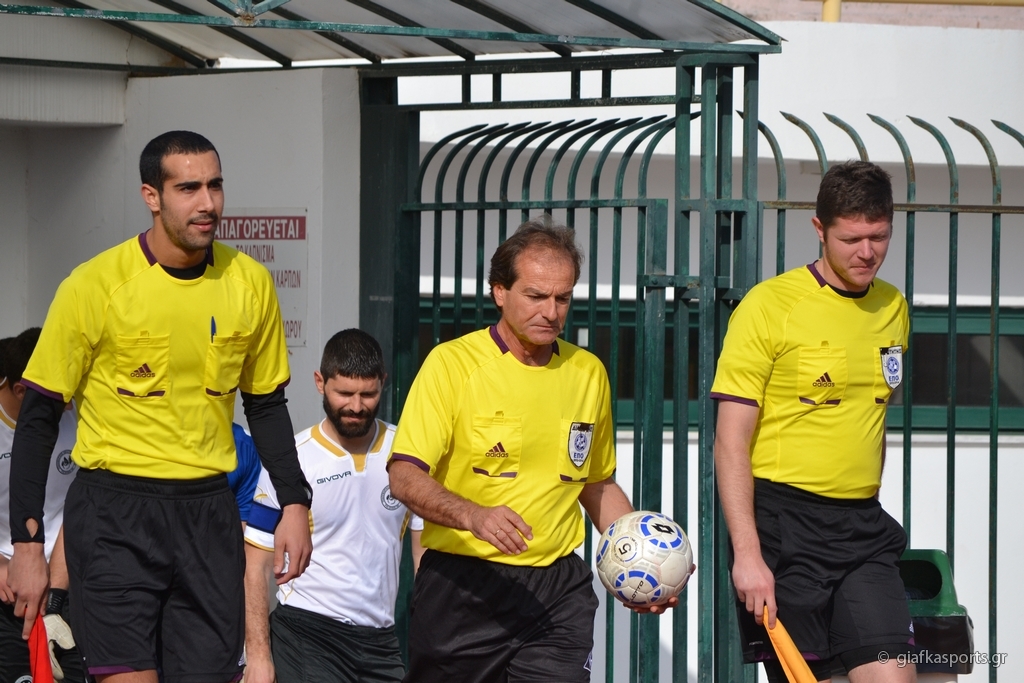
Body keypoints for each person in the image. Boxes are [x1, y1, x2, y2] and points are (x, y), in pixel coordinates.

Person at [7, 130, 313, 683]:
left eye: (215, 186)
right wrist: (28, 544)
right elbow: (37, 421)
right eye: (188, 188)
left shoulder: (249, 283)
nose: (208, 203)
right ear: (151, 195)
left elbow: (266, 405)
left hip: (208, 514)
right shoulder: (93, 285)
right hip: (114, 514)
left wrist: (294, 501)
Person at [388, 219, 679, 683]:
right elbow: (404, 475)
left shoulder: (588, 372)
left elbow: (596, 484)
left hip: (557, 591)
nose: (551, 311)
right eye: (536, 296)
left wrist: (639, 560)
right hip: (464, 588)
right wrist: (473, 515)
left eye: (562, 298)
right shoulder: (451, 365)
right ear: (499, 292)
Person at [711, 161, 915, 683]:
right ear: (819, 229)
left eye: (879, 236)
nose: (867, 252)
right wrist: (748, 555)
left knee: (896, 675)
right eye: (851, 239)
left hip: (863, 527)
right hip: (785, 529)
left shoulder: (893, 307)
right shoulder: (768, 306)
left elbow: (872, 416)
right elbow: (730, 442)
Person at [244, 329, 420, 683]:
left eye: (368, 394)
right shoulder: (290, 462)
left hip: (382, 642)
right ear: (320, 383)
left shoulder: (407, 453)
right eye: (345, 393)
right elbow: (256, 567)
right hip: (307, 635)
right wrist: (259, 657)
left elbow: (424, 557)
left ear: (383, 383)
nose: (356, 406)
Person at [0, 329, 82, 683]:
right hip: (8, 587)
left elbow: (80, 503)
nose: (69, 403)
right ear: (21, 391)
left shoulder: (79, 418)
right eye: (61, 395)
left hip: (68, 583)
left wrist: (56, 581)